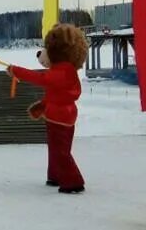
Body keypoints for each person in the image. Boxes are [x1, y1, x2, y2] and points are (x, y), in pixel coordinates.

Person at [8, 23, 89, 194]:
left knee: (60, 150)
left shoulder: (62, 72)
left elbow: (41, 78)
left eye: (47, 48)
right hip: (60, 115)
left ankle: (73, 181)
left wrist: (16, 70)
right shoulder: (64, 71)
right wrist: (42, 105)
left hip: (60, 117)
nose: (42, 53)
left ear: (59, 52)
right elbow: (55, 93)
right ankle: (55, 175)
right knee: (56, 148)